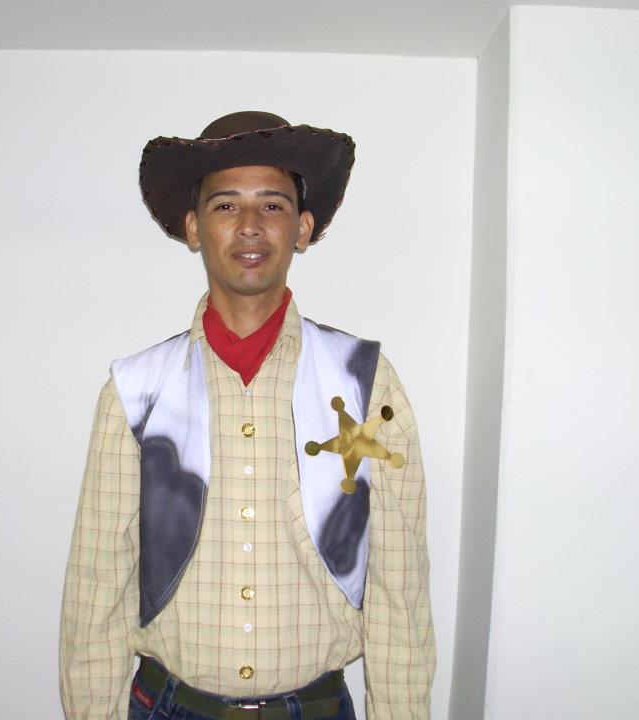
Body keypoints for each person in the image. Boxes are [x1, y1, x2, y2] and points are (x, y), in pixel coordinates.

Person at [60, 111, 435, 720]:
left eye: (273, 205)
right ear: (194, 227)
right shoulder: (135, 391)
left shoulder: (364, 382)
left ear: (303, 228)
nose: (250, 226)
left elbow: (400, 583)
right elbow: (97, 586)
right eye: (226, 205)